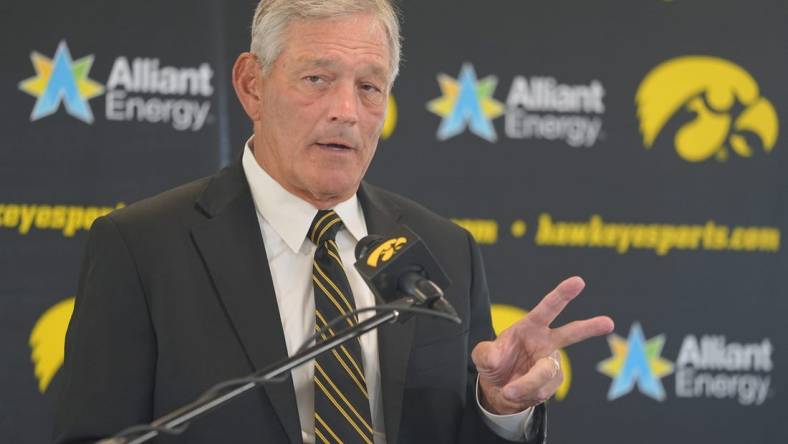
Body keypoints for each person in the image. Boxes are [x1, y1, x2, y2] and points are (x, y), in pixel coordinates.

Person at [54, 1, 614, 443]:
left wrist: (499, 410)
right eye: (318, 79)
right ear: (252, 85)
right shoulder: (143, 246)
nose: (346, 110)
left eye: (369, 87)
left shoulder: (445, 250)